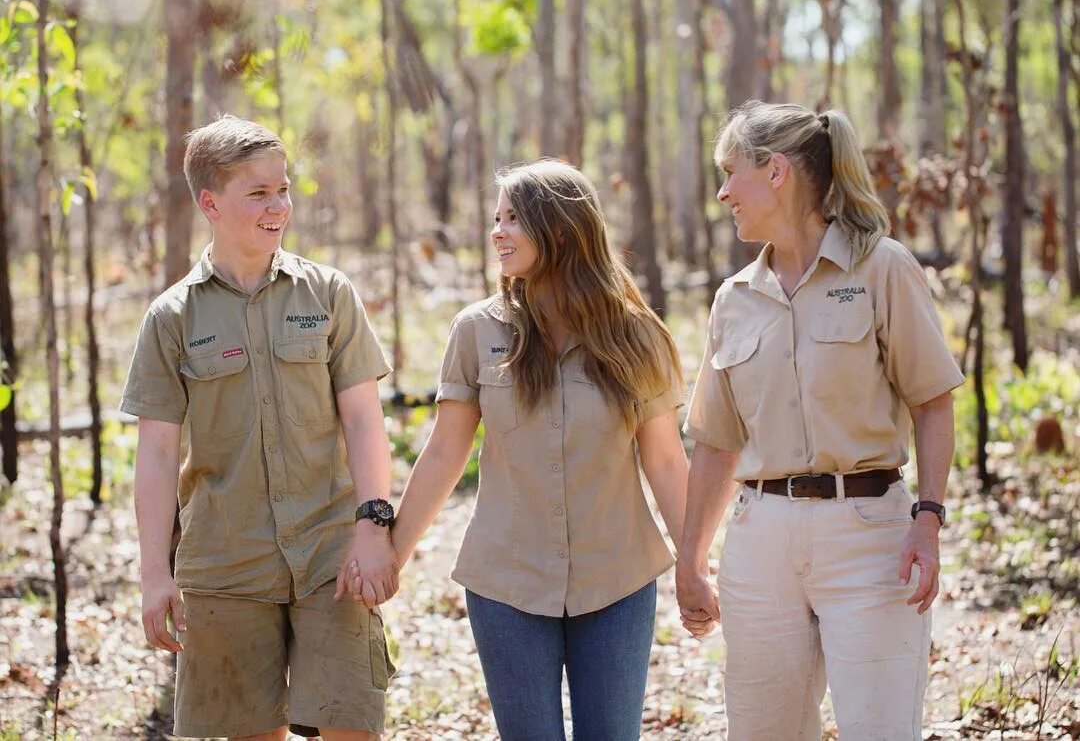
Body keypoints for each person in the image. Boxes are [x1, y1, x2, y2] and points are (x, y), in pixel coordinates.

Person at [676, 101, 964, 740]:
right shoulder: (734, 299)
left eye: (731, 172)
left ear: (776, 172)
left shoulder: (882, 267)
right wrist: (691, 560)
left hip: (869, 539)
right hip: (760, 543)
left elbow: (932, 401)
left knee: (879, 729)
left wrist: (929, 518)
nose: (722, 192)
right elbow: (717, 444)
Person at [383, 160, 690, 740]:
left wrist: (694, 566)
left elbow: (667, 461)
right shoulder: (477, 331)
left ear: (563, 228)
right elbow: (446, 451)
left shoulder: (636, 336)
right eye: (496, 218)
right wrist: (391, 557)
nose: (497, 231)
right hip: (507, 585)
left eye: (514, 218)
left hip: (618, 583)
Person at [120, 115, 397, 741]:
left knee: (353, 726)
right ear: (211, 203)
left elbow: (362, 416)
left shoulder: (327, 293)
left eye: (284, 189)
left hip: (332, 556)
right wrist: (154, 576)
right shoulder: (171, 317)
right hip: (225, 566)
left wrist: (374, 524)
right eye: (259, 194)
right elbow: (159, 455)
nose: (280, 207)